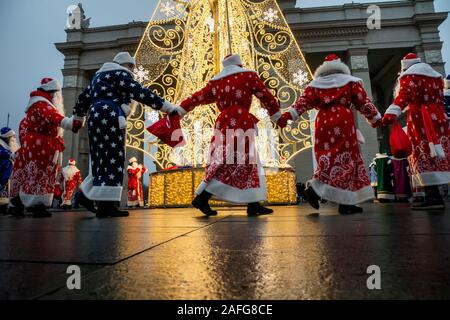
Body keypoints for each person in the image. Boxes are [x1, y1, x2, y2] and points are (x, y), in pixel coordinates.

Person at [72, 52, 182, 218]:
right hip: (112, 115)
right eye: (131, 66)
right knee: (114, 158)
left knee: (100, 157)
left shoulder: (96, 78)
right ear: (124, 65)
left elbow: (82, 99)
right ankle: (107, 206)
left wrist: (78, 118)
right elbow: (139, 92)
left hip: (94, 117)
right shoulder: (121, 75)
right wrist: (166, 107)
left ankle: (85, 195)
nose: (133, 70)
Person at [278, 54, 382, 214]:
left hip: (324, 122)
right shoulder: (350, 82)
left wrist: (288, 115)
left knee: (328, 157)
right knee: (347, 158)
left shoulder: (316, 85)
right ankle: (340, 201)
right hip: (343, 122)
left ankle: (322, 192)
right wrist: (375, 119)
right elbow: (363, 102)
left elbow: (302, 102)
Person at [178, 54, 281, 216]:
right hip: (241, 120)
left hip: (223, 122)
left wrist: (181, 110)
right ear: (240, 64)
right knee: (244, 160)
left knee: (226, 159)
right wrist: (276, 114)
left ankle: (252, 203)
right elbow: (265, 95)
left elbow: (197, 97)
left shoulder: (216, 81)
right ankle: (204, 197)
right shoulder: (248, 76)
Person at [382, 53, 450, 210]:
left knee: (422, 153)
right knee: (437, 153)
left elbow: (403, 97)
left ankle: (433, 197)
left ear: (404, 66)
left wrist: (390, 115)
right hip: (438, 118)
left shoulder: (409, 76)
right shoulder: (436, 77)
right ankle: (434, 195)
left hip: (420, 119)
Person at [9, 78, 76, 218]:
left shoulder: (34, 107)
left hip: (38, 146)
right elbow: (54, 117)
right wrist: (71, 122)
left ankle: (19, 203)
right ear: (52, 92)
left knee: (32, 174)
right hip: (41, 148)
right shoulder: (41, 104)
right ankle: (37, 205)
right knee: (39, 174)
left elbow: (23, 128)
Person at [0, 127, 19, 213]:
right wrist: (10, 156)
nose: (14, 139)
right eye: (13, 137)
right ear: (7, 137)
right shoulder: (2, 147)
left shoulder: (9, 146)